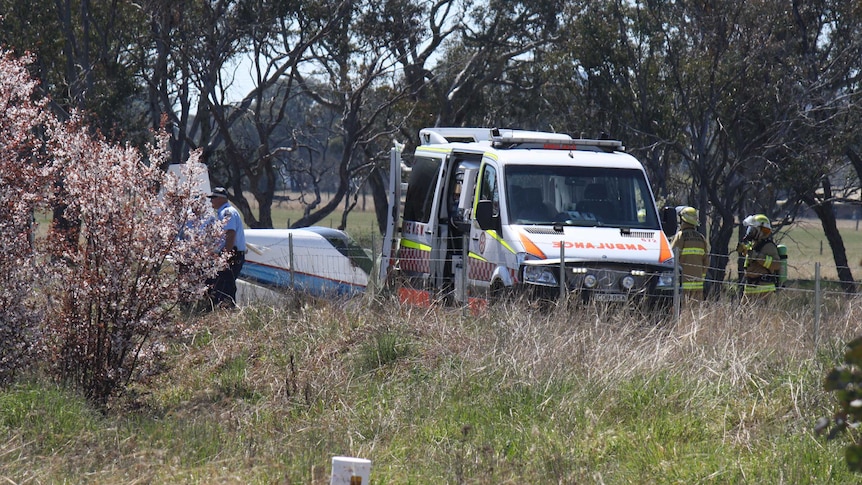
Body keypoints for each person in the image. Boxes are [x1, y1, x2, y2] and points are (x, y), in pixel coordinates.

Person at [207, 187, 246, 309]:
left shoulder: (227, 212)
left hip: (231, 254)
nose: (211, 201)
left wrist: (224, 256)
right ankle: (226, 310)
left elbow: (230, 234)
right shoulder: (223, 212)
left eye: (213, 198)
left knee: (225, 285)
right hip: (230, 253)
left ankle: (227, 311)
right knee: (223, 285)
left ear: (221, 199)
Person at [737, 213, 780, 299]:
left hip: (763, 289)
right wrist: (744, 250)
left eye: (753, 229)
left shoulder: (769, 246)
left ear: (761, 231)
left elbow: (776, 264)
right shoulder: (754, 244)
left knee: (762, 312)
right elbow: (751, 258)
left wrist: (757, 257)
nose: (750, 232)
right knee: (744, 312)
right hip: (750, 287)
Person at [670, 206, 709, 300]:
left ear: (682, 220)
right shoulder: (701, 238)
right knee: (695, 311)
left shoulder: (680, 236)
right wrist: (701, 276)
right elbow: (706, 261)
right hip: (698, 283)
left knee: (683, 310)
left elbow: (671, 256)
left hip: (683, 282)